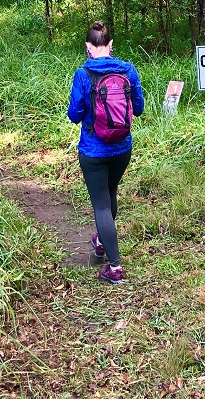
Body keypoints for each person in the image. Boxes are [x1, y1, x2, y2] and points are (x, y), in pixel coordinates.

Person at [67, 21, 145, 284]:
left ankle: (115, 267)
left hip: (93, 150)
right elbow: (139, 108)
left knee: (101, 204)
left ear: (88, 48)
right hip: (122, 148)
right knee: (110, 192)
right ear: (111, 45)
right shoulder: (128, 70)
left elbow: (74, 115)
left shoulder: (83, 74)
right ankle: (101, 242)